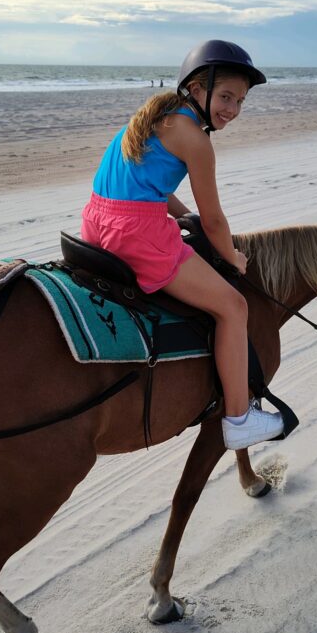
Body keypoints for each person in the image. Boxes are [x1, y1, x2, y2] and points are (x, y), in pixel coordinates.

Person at [80, 40, 285, 450]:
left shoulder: (153, 117)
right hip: (137, 236)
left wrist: (178, 213)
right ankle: (239, 419)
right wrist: (233, 257)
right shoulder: (196, 139)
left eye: (241, 101)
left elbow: (147, 183)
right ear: (195, 88)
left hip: (97, 221)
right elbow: (215, 220)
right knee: (234, 306)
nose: (232, 109)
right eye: (225, 96)